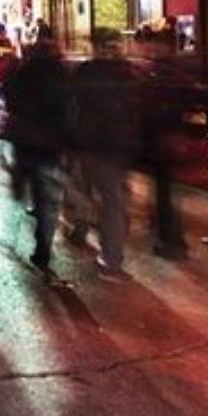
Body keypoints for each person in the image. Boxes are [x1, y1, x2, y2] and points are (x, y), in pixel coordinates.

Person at [70, 29, 144, 279]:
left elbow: (74, 107)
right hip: (111, 145)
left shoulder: (86, 73)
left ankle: (108, 253)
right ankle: (111, 257)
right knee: (113, 200)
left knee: (107, 198)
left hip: (97, 145)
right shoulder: (128, 74)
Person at [0, 40, 72, 279]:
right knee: (46, 199)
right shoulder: (63, 76)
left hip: (26, 140)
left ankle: (19, 193)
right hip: (51, 144)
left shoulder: (23, 74)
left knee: (26, 177)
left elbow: (10, 98)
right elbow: (70, 109)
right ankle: (43, 247)